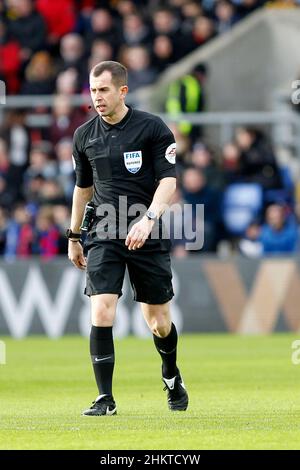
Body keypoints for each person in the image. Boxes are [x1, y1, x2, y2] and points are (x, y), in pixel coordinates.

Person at [67, 60, 188, 416]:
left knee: (159, 323)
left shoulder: (152, 128)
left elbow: (169, 181)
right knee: (102, 310)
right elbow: (82, 189)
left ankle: (171, 374)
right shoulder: (83, 136)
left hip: (146, 232)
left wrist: (149, 219)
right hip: (104, 232)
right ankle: (105, 398)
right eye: (92, 90)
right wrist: (74, 236)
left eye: (103, 90)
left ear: (122, 91)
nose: (96, 97)